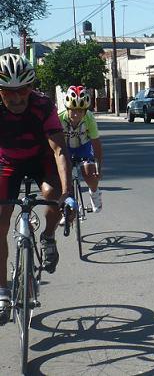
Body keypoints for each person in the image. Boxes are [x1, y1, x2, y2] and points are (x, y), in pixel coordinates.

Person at [0, 54, 76, 323]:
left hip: (41, 159)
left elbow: (58, 149)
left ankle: (47, 236)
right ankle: (2, 291)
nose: (17, 98)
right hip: (7, 162)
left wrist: (67, 194)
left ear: (31, 88)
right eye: (9, 92)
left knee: (52, 195)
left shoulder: (43, 105)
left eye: (23, 90)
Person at [58, 86, 104, 218]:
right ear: (68, 108)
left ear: (85, 110)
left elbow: (96, 144)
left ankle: (95, 193)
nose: (77, 114)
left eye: (80, 111)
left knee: (90, 173)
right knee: (63, 177)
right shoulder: (59, 118)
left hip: (83, 146)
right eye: (73, 110)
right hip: (65, 147)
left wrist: (99, 167)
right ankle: (66, 211)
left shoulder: (89, 118)